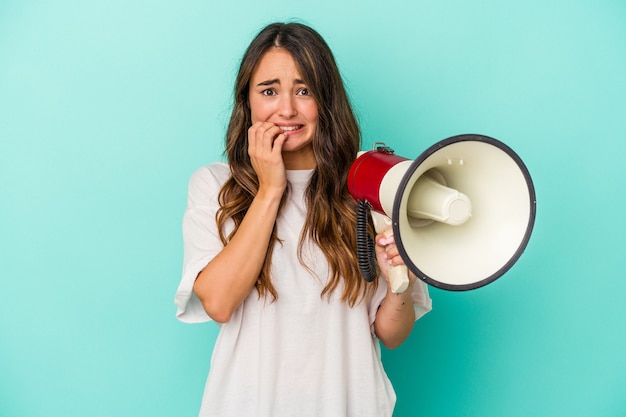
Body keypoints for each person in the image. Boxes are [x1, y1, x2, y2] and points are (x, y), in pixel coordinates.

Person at [174, 21, 432, 417]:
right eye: (269, 91)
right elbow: (219, 303)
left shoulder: (368, 185)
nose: (287, 109)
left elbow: (391, 333)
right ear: (248, 102)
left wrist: (401, 279)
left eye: (304, 90)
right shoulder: (215, 185)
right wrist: (271, 189)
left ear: (325, 101)